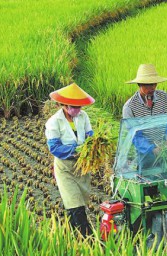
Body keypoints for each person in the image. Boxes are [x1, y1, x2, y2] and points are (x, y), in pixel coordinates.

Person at [45, 83, 95, 237]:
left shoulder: (83, 116)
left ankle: (72, 236)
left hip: (81, 166)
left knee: (78, 203)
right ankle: (88, 238)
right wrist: (76, 150)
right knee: (75, 204)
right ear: (64, 105)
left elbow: (89, 134)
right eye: (73, 107)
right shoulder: (54, 122)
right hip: (65, 167)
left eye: (79, 106)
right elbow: (54, 147)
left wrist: (92, 145)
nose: (77, 110)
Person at [122, 64, 167, 171]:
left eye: (153, 85)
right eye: (147, 85)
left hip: (165, 146)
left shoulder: (163, 97)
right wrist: (152, 149)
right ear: (139, 84)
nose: (151, 88)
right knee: (148, 179)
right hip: (145, 152)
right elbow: (134, 135)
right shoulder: (130, 107)